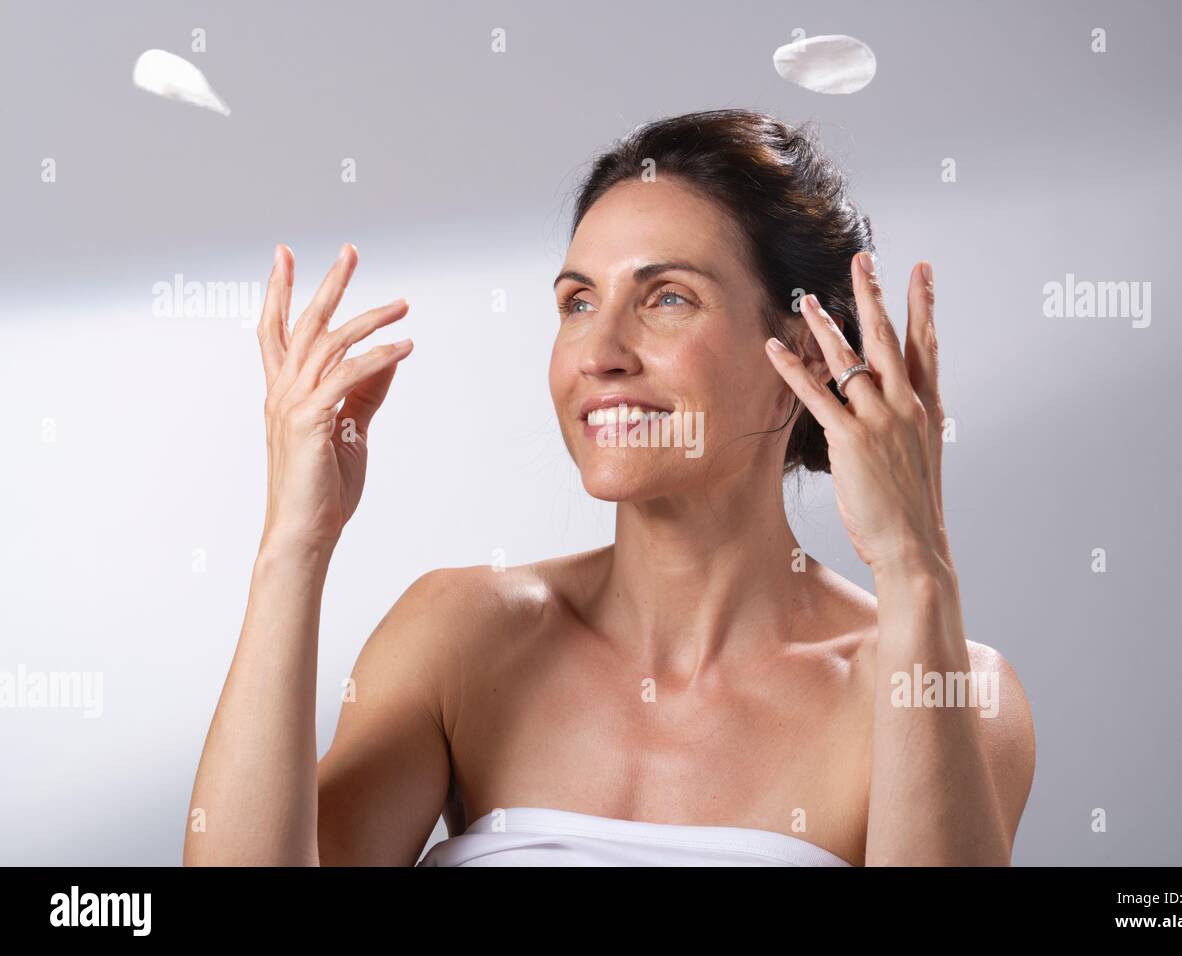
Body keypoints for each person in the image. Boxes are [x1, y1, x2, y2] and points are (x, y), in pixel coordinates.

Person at [184, 108, 1035, 867]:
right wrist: (294, 545)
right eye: (578, 302)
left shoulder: (942, 685)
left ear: (807, 355)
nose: (599, 353)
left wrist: (915, 568)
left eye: (666, 298)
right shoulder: (462, 637)